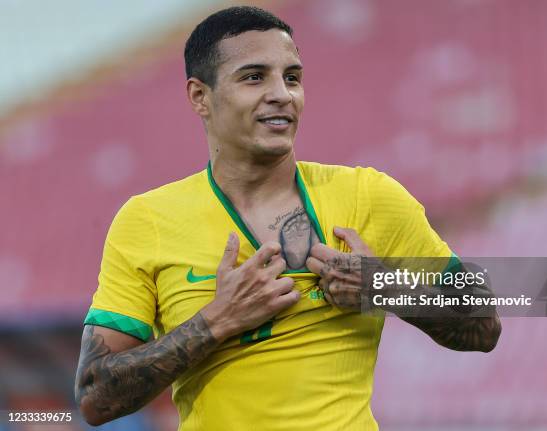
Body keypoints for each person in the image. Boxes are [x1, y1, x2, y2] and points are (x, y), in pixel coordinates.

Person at [74, 6, 501, 430]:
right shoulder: (146, 219)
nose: (282, 93)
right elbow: (95, 398)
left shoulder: (369, 196)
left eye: (292, 77)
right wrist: (217, 321)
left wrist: (384, 287)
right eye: (254, 76)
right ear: (199, 96)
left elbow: (485, 325)